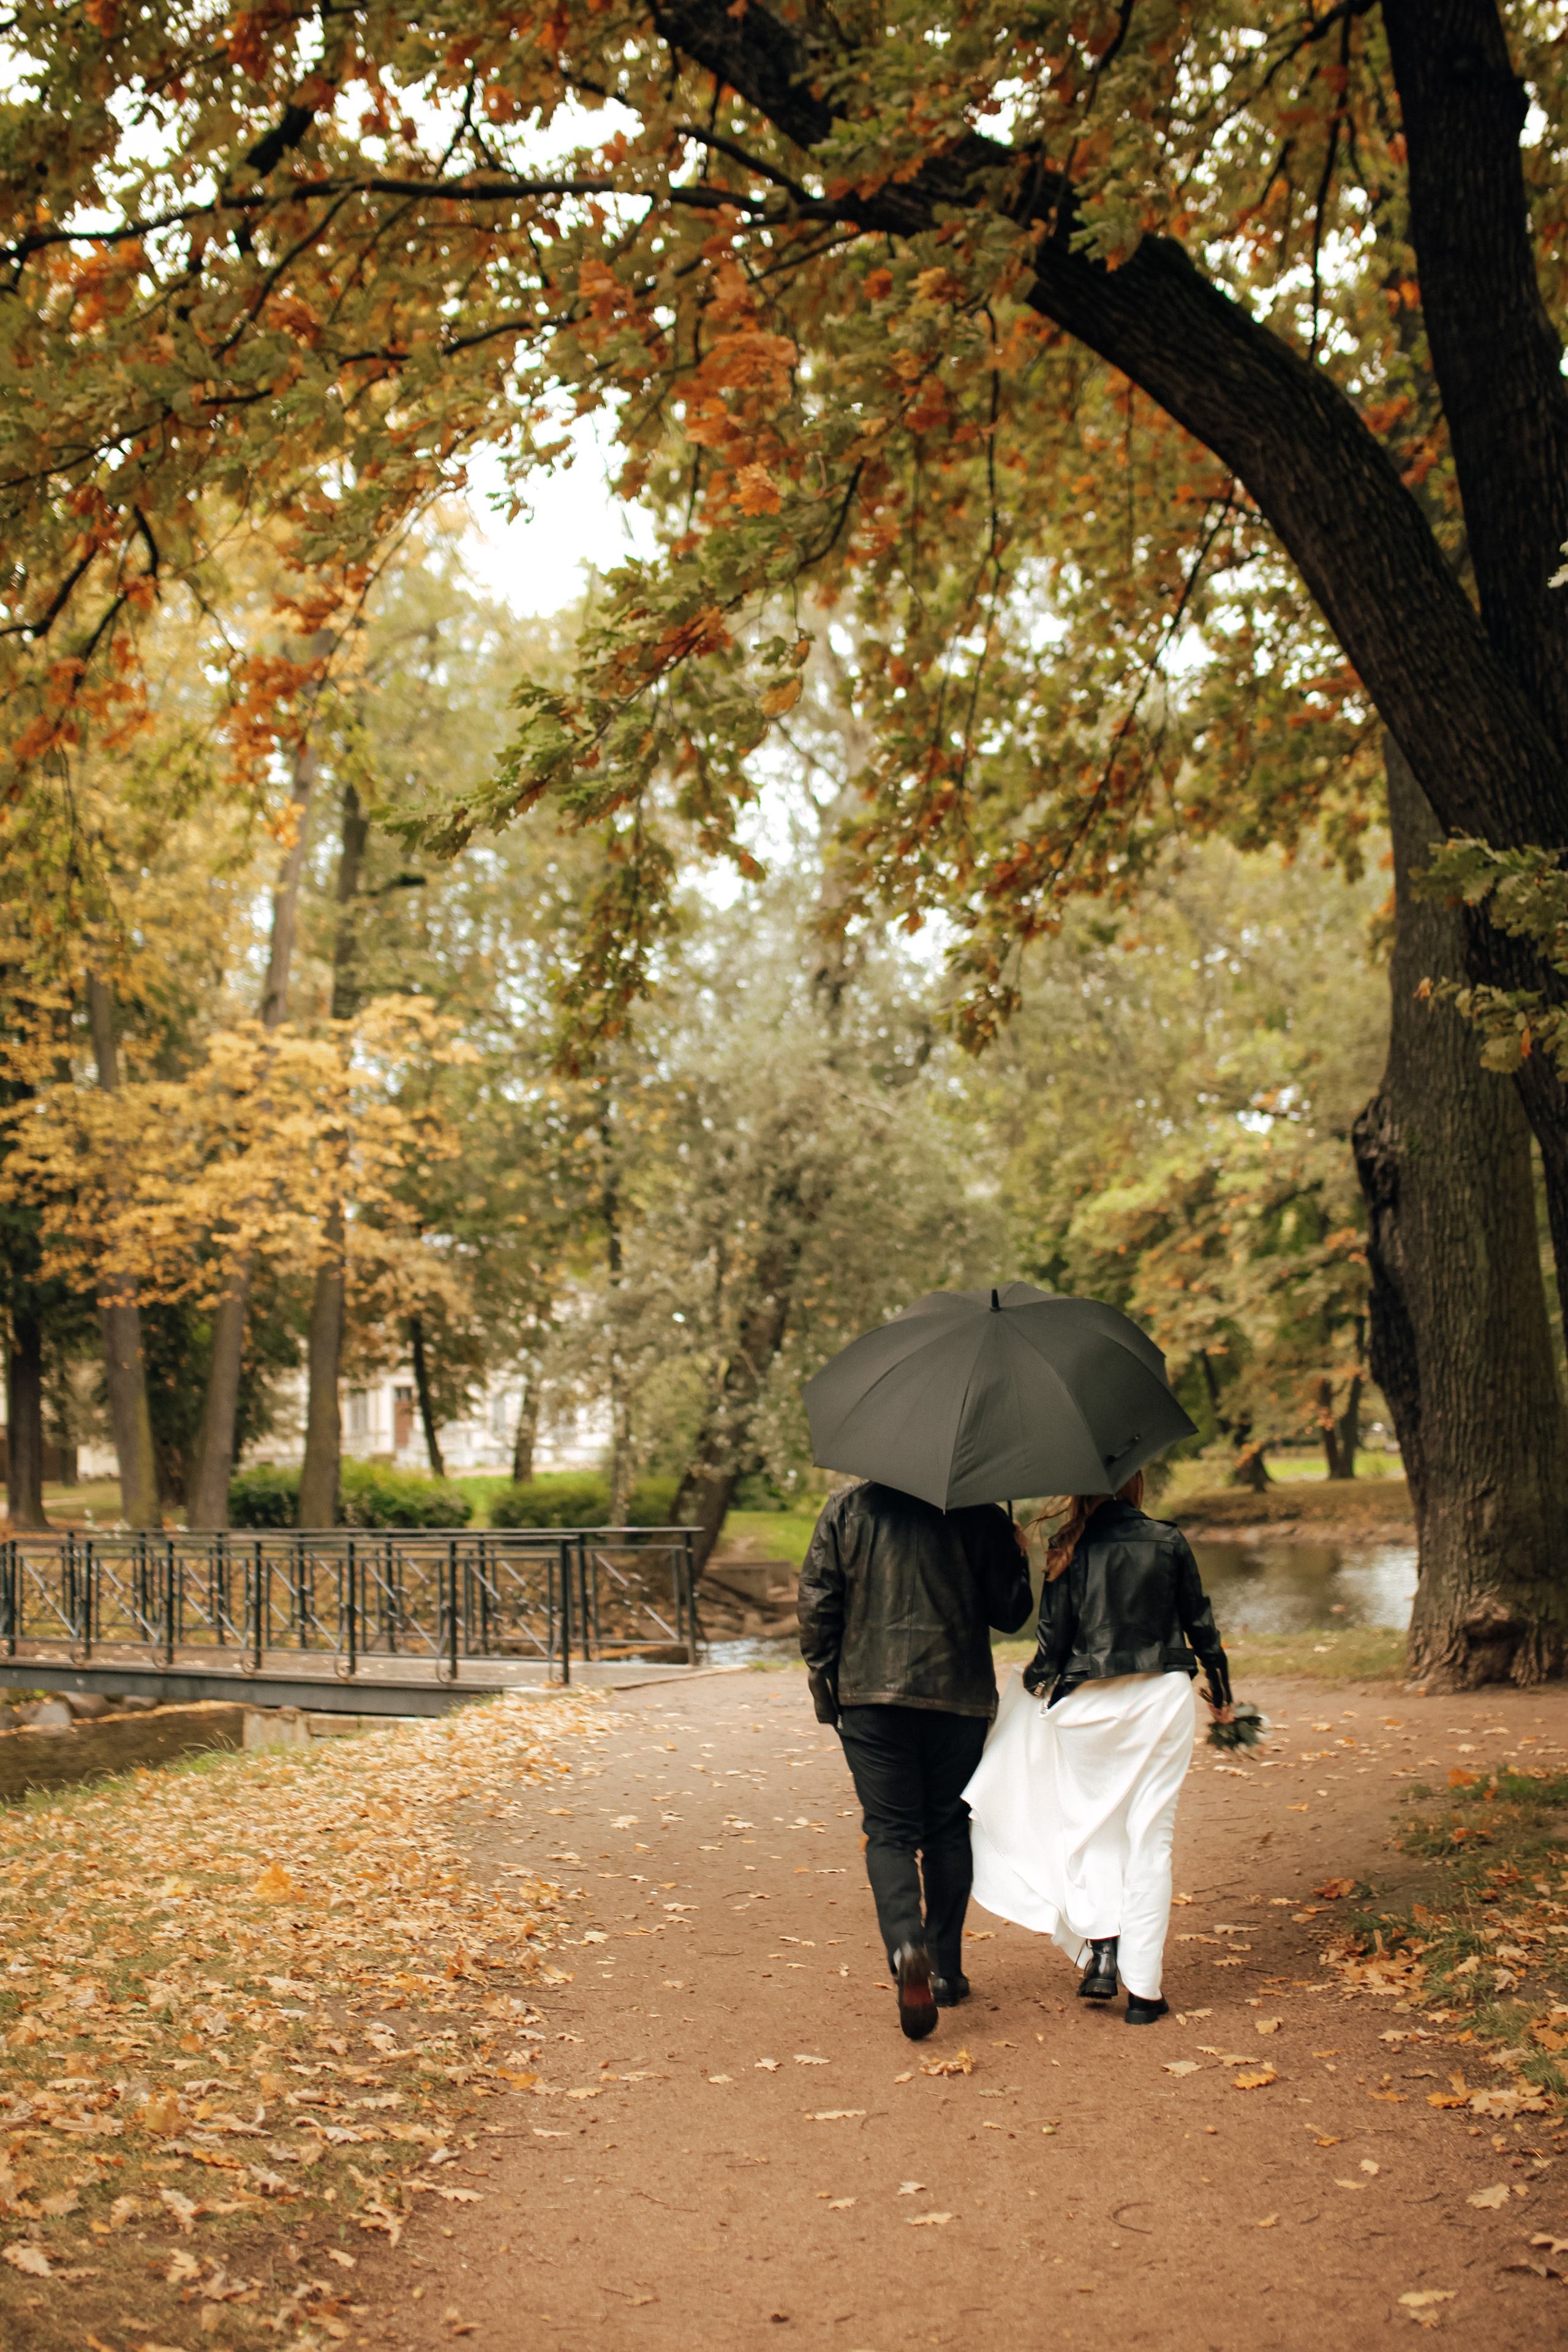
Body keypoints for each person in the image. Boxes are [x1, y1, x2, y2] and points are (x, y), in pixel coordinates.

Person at [963, 1471, 1232, 2025]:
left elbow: (1051, 1649)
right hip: (1161, 1700)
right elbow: (1201, 1625)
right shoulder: (1169, 1540)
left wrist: (1031, 1689)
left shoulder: (1067, 1548)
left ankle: (1102, 1951)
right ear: (1135, 1483)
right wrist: (1222, 1695)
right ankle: (1145, 1991)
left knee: (1097, 1829)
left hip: (1091, 1712)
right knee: (1151, 1839)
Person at [798, 1480, 1035, 2040]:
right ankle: (946, 1971)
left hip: (871, 1698)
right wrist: (1016, 1554)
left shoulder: (847, 1510)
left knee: (890, 1832)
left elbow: (818, 1600)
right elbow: (1011, 1613)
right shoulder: (980, 1511)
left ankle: (907, 1942)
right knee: (949, 1829)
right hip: (957, 1698)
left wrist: (824, 1676)